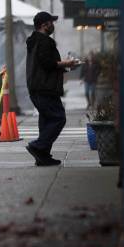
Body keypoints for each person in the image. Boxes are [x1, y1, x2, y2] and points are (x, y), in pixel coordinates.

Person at [25, 11, 79, 166]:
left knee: (46, 120)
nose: (53, 25)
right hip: (45, 88)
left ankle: (43, 156)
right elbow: (48, 63)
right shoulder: (43, 41)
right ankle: (38, 146)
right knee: (58, 118)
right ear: (44, 25)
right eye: (51, 22)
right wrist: (67, 63)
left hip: (37, 87)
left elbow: (46, 66)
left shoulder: (34, 41)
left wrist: (67, 68)